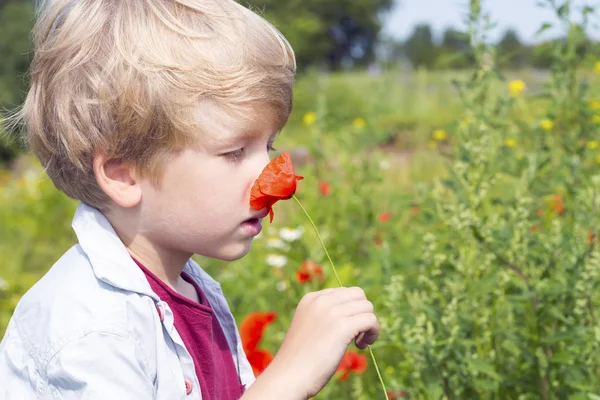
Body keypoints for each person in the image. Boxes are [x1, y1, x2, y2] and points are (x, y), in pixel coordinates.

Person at [0, 0, 380, 398]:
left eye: (268, 145)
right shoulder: (91, 330)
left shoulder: (193, 291)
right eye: (234, 152)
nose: (267, 173)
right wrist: (286, 379)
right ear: (124, 174)